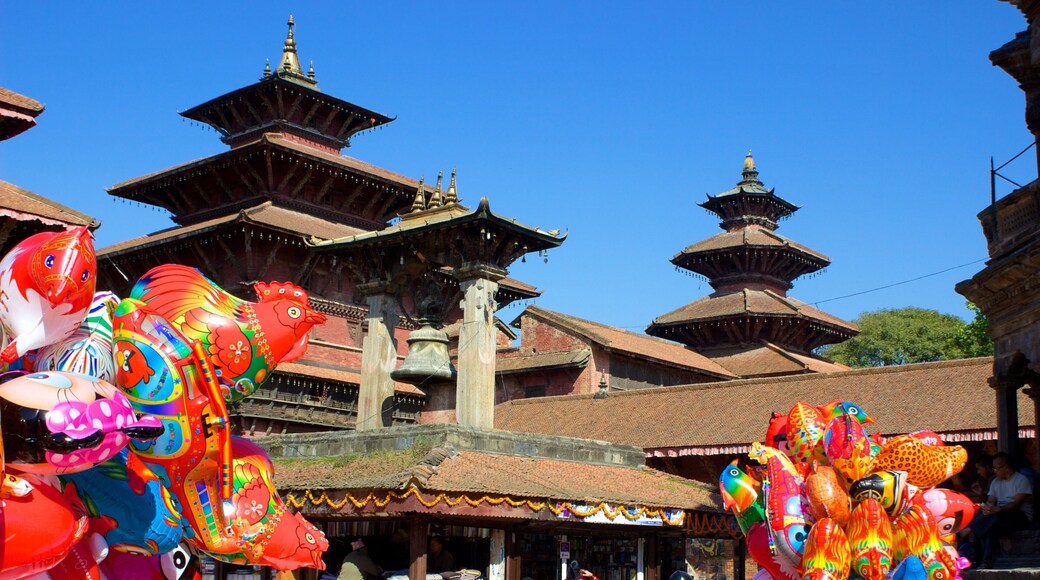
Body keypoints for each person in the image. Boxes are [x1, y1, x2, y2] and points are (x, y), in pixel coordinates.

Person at [962, 452, 1033, 568]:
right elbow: (991, 500)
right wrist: (988, 507)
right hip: (998, 516)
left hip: (1020, 515)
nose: (995, 471)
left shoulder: (1021, 480)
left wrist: (998, 510)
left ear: (1006, 467)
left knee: (993, 518)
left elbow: (1016, 503)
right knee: (989, 524)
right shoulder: (996, 482)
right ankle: (984, 560)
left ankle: (968, 531)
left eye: (997, 468)